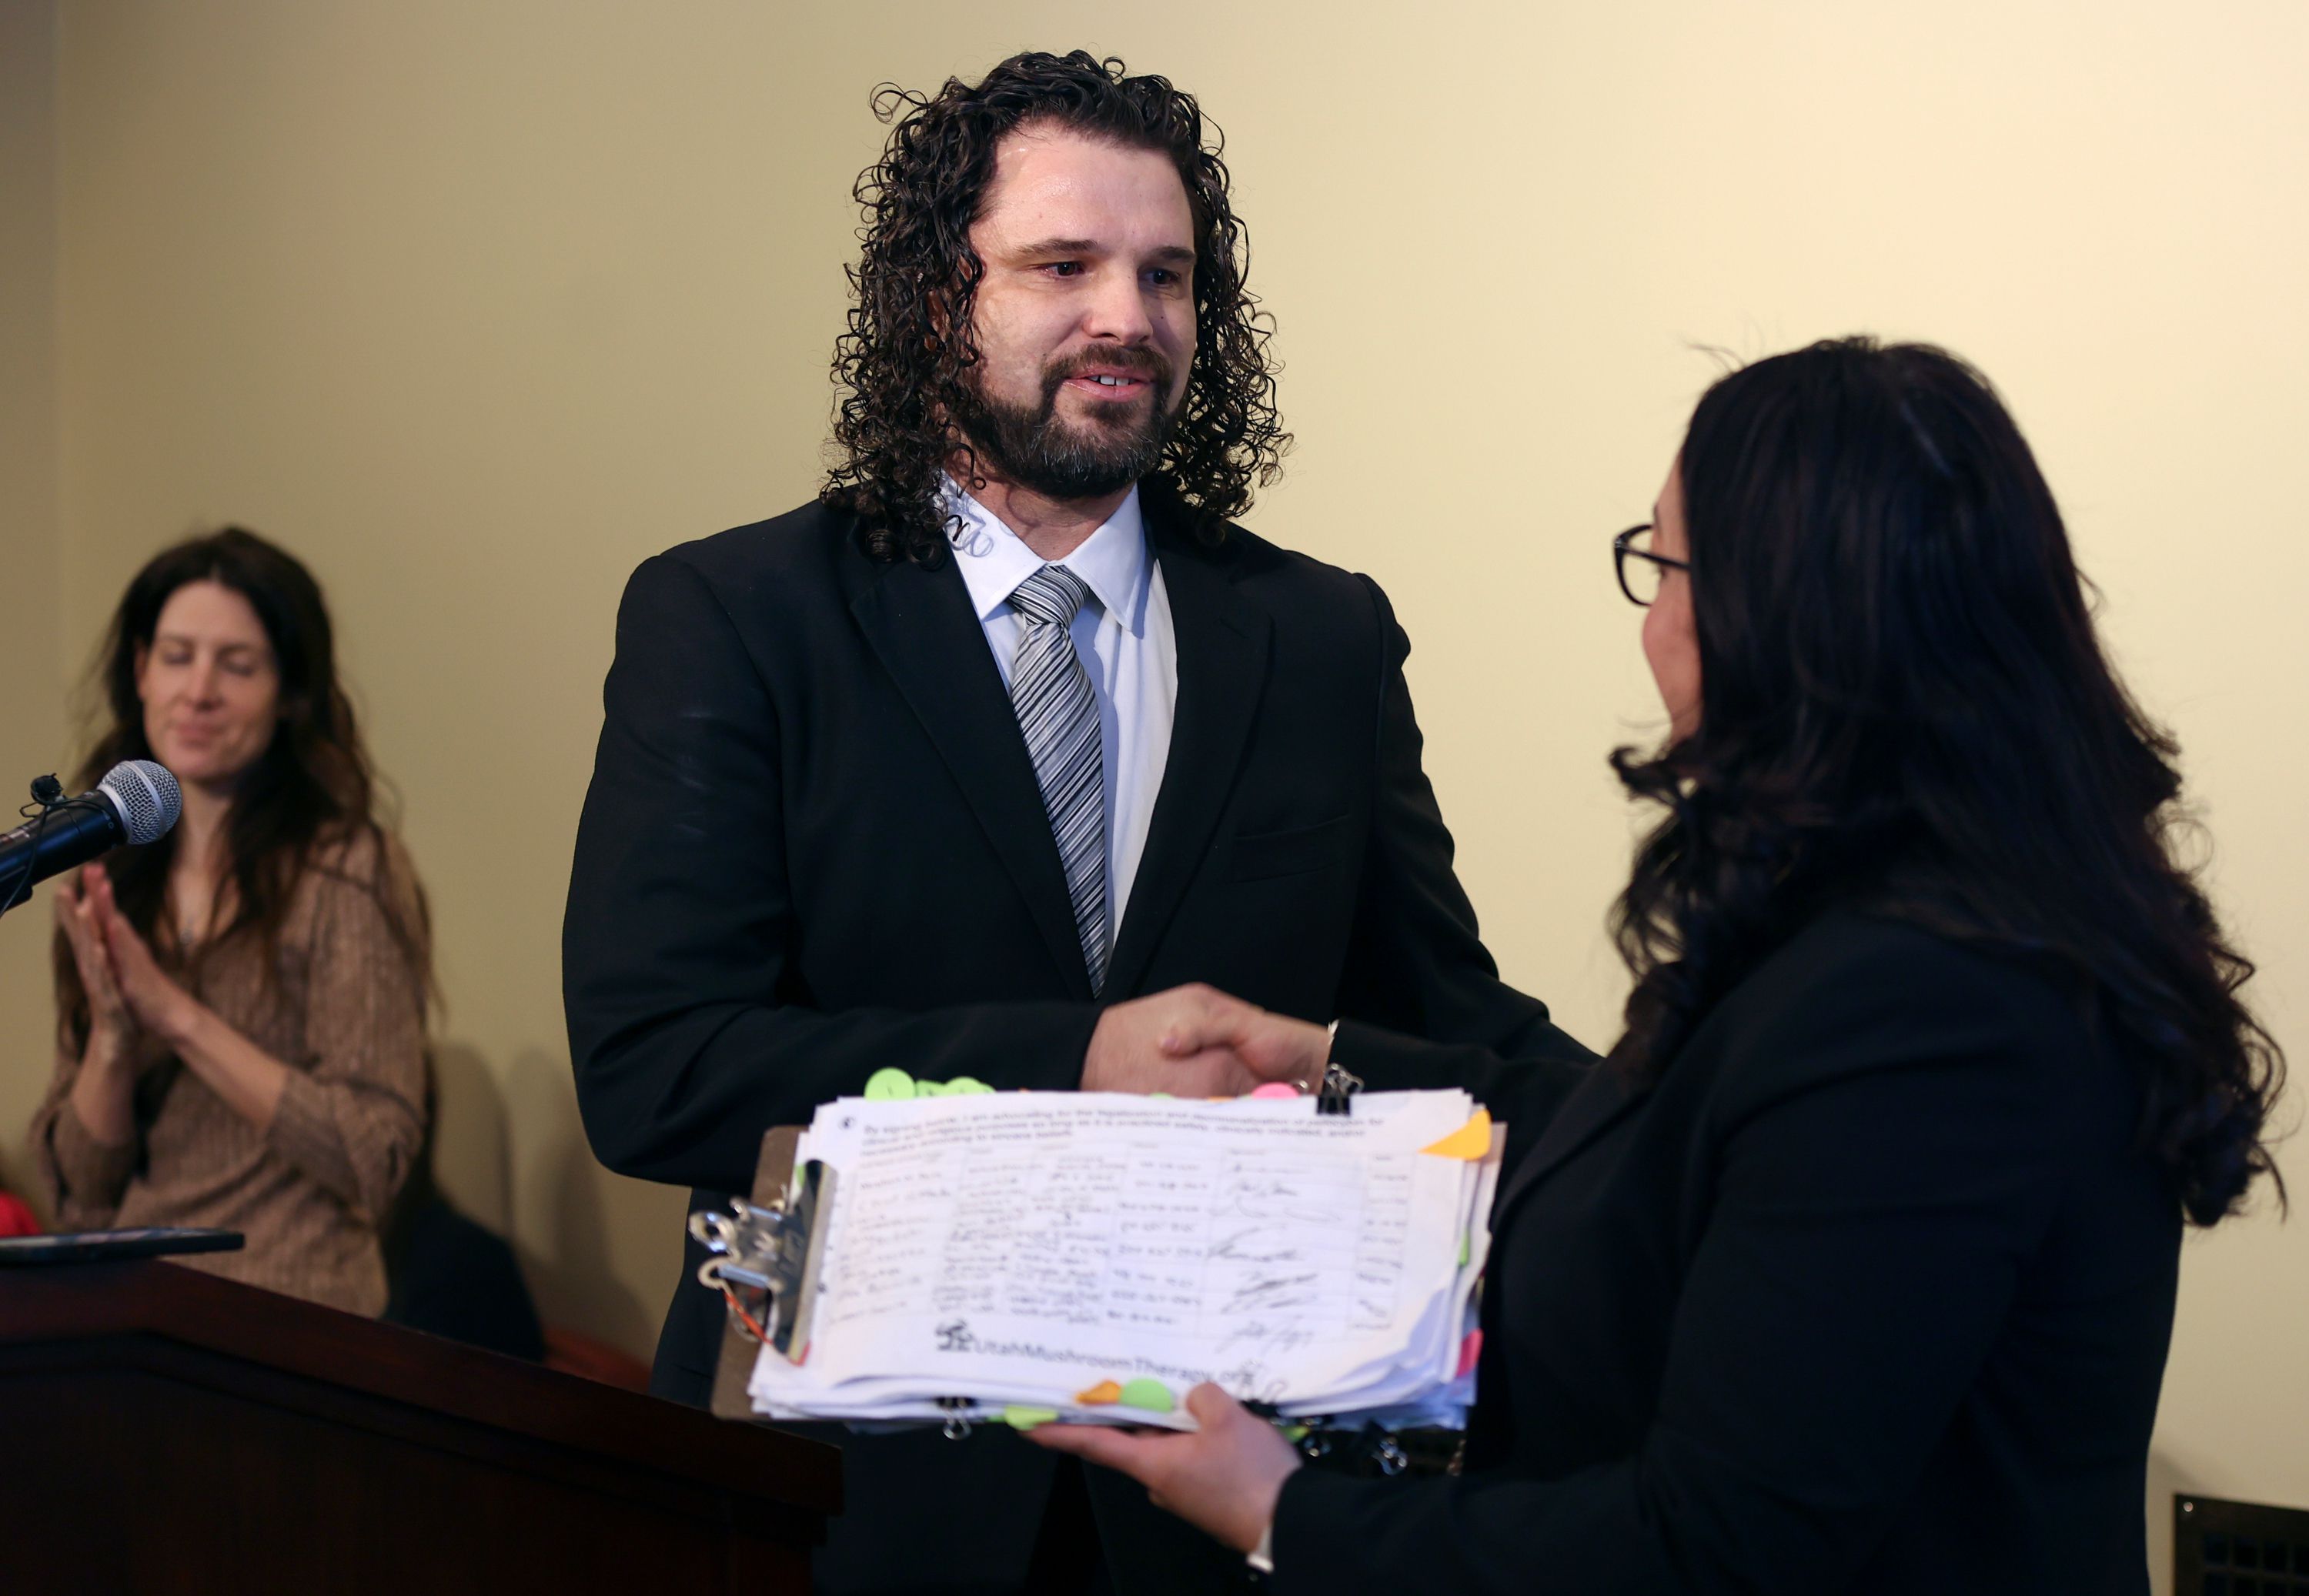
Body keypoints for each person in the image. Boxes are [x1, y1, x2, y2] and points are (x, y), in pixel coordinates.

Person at [562, 48, 1588, 1596]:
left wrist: (1699, 1117)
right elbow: (656, 1066)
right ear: (935, 301)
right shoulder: (737, 616)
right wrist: (1074, 1060)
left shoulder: (1315, 639)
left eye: (1165, 273)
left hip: (1221, 1504)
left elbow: (1434, 1013)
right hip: (849, 1500)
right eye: (1066, 263)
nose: (1128, 313)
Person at [1034, 338, 2288, 1594]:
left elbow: (1712, 1549)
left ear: (1786, 617)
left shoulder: (1928, 1004)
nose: (1653, 625)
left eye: (1665, 564)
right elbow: (1672, 1147)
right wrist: (1324, 1057)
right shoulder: (1893, 923)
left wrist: (1281, 1507)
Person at [30, 527, 430, 1317]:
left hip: (292, 1316)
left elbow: (371, 1154)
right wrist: (113, 1040)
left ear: (290, 693)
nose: (199, 690)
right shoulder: (107, 870)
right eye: (176, 656)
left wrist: (176, 1016)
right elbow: (80, 1192)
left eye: (236, 665)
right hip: (134, 1317)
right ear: (139, 672)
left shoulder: (344, 868)